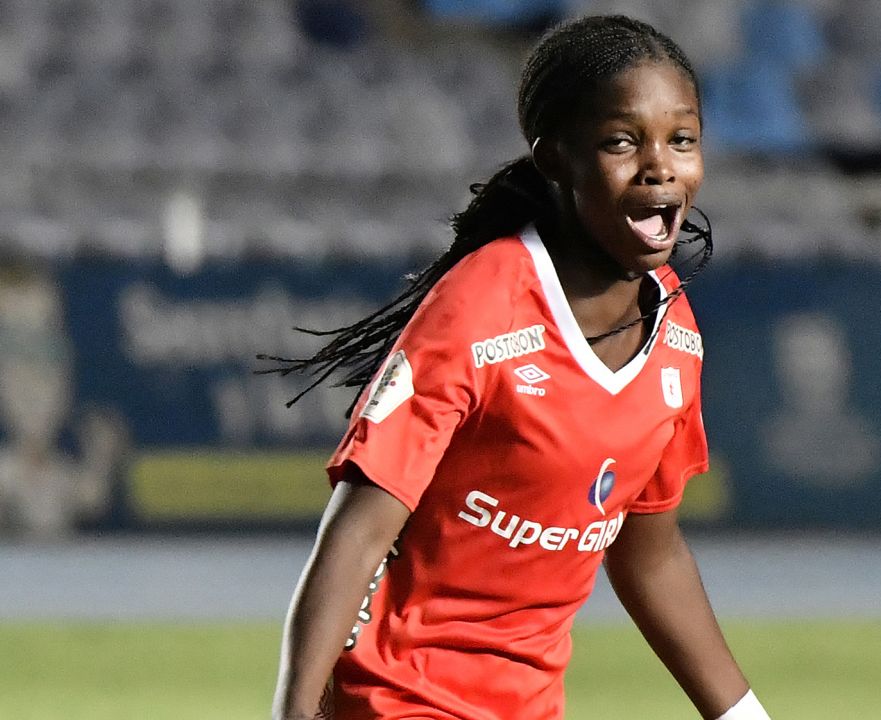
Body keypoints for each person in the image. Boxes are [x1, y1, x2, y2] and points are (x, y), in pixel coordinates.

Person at [267, 15, 770, 720]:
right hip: (400, 700)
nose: (661, 165)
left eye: (681, 139)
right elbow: (356, 535)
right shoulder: (480, 307)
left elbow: (647, 552)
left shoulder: (676, 335)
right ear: (556, 157)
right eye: (622, 141)